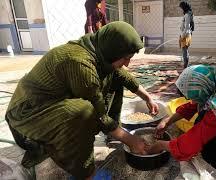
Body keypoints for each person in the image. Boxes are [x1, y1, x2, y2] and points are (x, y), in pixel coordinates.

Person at [5, 21, 159, 180]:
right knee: (84, 111)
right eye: (126, 57)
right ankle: (84, 173)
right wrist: (131, 140)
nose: (128, 63)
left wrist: (147, 98)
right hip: (28, 112)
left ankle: (111, 133)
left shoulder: (98, 50)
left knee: (113, 76)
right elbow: (98, 114)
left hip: (51, 102)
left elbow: (123, 76)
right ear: (113, 51)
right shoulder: (80, 63)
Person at [179, 1, 194, 68]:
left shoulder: (187, 15)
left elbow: (187, 26)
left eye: (182, 7)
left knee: (184, 51)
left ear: (184, 7)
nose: (181, 9)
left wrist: (182, 35)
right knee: (185, 50)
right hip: (187, 34)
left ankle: (186, 66)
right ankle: (186, 64)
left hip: (186, 35)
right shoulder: (189, 14)